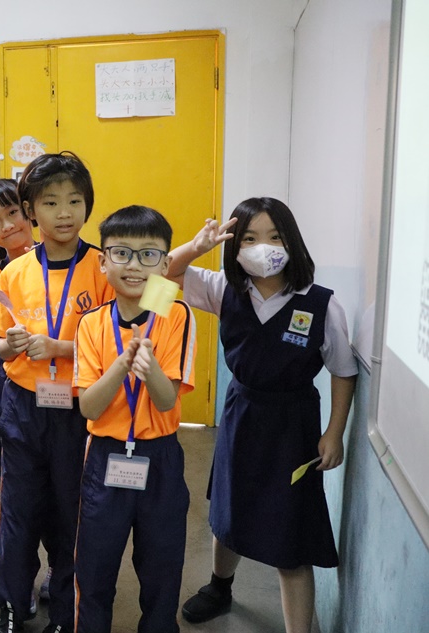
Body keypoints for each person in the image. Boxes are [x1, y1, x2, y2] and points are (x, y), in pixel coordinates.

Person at [167, 198, 358, 633]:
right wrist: (197, 247)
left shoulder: (322, 304)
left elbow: (344, 371)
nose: (263, 247)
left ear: (292, 242)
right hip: (242, 414)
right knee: (229, 511)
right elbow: (163, 276)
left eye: (274, 236)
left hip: (294, 426)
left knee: (291, 537)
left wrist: (334, 433)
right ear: (234, 247)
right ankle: (219, 586)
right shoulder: (224, 289)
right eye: (250, 238)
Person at [0, 152, 115, 633]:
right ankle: (11, 607)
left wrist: (61, 347)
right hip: (23, 407)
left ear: (88, 206)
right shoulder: (14, 273)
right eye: (51, 202)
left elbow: (119, 342)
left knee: (71, 514)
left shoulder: (103, 268)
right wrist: (10, 342)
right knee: (17, 513)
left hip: (80, 409)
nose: (64, 213)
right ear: (30, 211)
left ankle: (66, 612)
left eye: (75, 201)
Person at [73, 205, 197, 633]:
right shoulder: (91, 324)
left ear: (164, 264)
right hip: (104, 458)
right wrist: (122, 364)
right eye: (121, 253)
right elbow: (89, 408)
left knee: (162, 567)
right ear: (103, 261)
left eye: (148, 255)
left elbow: (165, 401)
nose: (134, 265)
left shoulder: (175, 315)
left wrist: (151, 369)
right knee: (94, 568)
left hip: (159, 458)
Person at [0, 179, 54, 605]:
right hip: (5, 399)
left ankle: (59, 569)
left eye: (12, 213)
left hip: (60, 400)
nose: (6, 226)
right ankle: (20, 582)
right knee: (13, 495)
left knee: (61, 491)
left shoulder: (62, 267)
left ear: (29, 213)